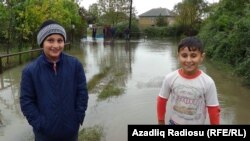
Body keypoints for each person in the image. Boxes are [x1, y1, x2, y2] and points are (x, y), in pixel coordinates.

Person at [20, 19, 89, 141]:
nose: (56, 45)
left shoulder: (75, 65)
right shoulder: (30, 71)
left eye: (60, 40)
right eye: (50, 40)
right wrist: (40, 124)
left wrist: (78, 118)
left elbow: (82, 93)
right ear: (42, 42)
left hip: (71, 133)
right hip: (44, 135)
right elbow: (26, 101)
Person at [157, 36, 220, 125]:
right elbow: (161, 100)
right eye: (184, 55)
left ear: (201, 57)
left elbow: (213, 109)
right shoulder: (170, 78)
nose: (188, 60)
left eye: (193, 56)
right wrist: (160, 122)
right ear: (178, 56)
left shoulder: (208, 82)